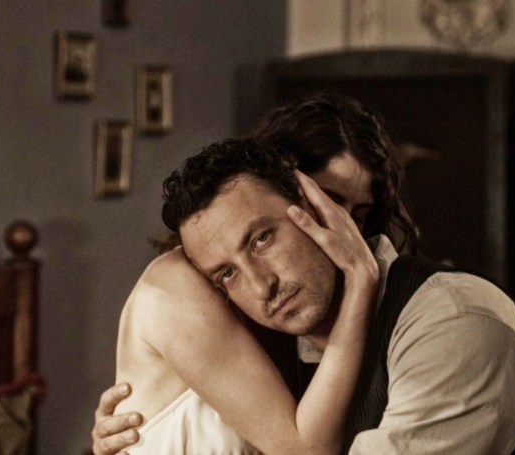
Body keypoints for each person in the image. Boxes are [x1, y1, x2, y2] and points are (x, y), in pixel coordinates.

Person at [94, 96, 515, 453]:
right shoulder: (205, 298)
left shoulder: (450, 323)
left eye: (359, 212)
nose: (344, 228)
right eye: (325, 201)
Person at [109, 138, 380, 454]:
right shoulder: (173, 286)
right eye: (226, 272)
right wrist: (360, 281)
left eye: (261, 240)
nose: (261, 286)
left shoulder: (288, 324)